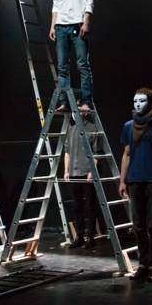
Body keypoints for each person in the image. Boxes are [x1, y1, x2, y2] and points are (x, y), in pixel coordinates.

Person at [118, 87, 152, 281]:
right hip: (134, 180)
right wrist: (122, 180)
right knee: (138, 226)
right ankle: (142, 264)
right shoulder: (128, 126)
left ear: (150, 103)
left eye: (141, 101)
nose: (138, 104)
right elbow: (126, 154)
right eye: (135, 101)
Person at [49, 0, 95, 111]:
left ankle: (86, 101)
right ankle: (65, 102)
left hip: (77, 23)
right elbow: (56, 3)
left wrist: (86, 20)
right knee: (62, 66)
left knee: (82, 64)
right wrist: (53, 26)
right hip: (61, 25)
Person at [63, 99, 102, 249]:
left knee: (90, 205)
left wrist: (92, 171)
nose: (79, 110)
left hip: (87, 173)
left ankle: (90, 238)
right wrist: (66, 171)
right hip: (73, 172)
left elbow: (97, 153)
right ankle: (79, 237)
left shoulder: (92, 128)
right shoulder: (71, 128)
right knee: (77, 206)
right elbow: (67, 152)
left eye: (81, 108)